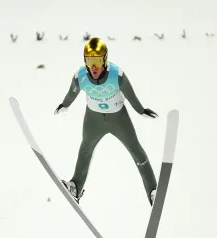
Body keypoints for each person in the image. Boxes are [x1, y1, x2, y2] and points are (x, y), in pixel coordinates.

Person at [54, 37, 158, 206]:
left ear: (105, 60)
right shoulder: (80, 76)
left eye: (97, 60)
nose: (93, 66)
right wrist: (64, 105)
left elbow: (131, 95)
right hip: (93, 119)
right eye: (89, 60)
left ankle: (153, 191)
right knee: (85, 148)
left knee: (136, 149)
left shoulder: (117, 75)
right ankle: (75, 187)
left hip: (118, 119)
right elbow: (72, 93)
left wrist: (141, 110)